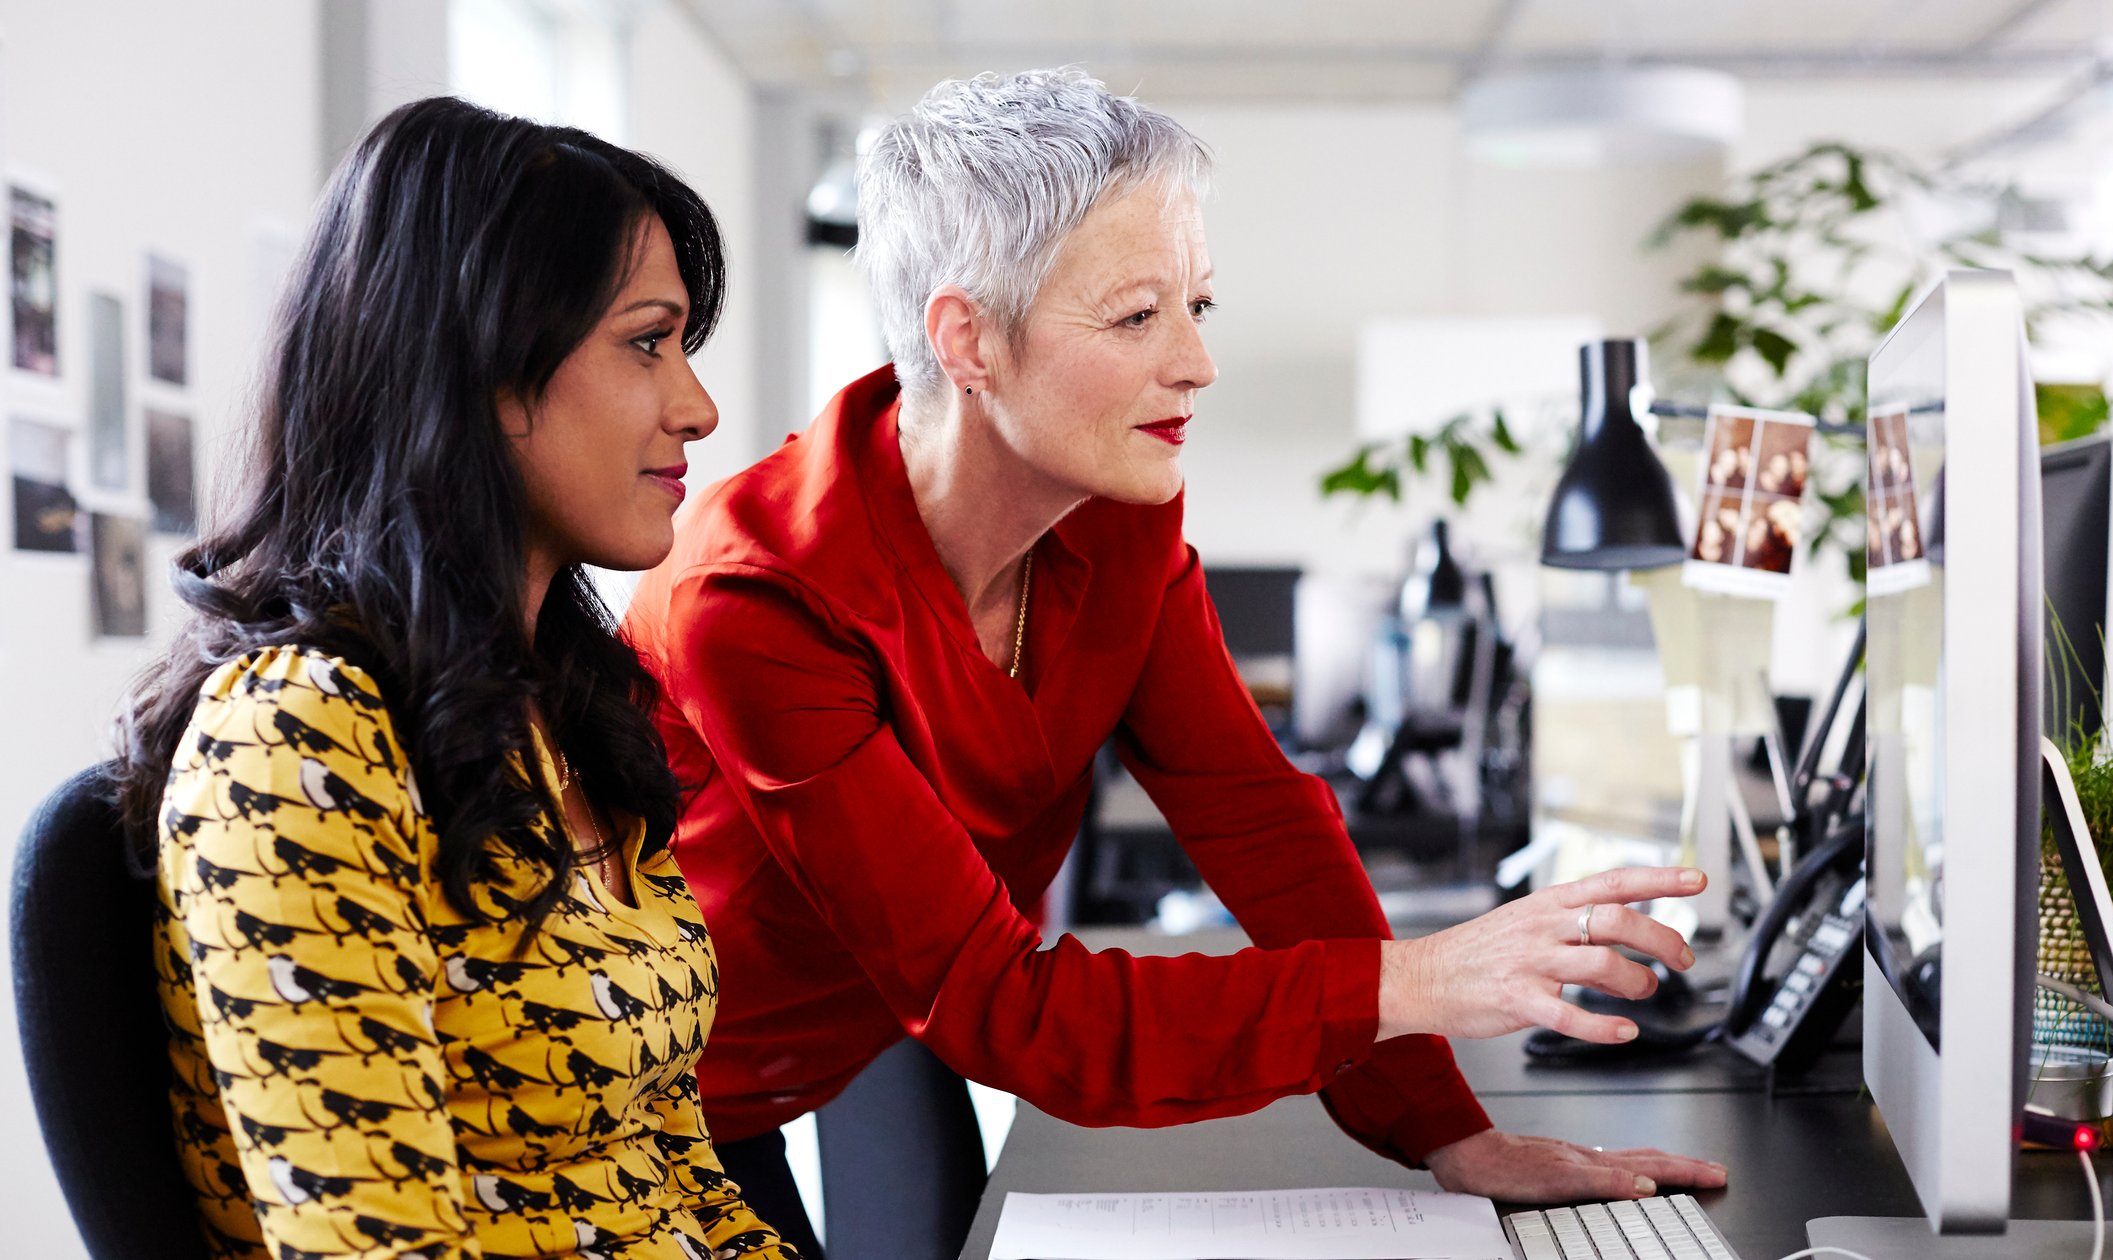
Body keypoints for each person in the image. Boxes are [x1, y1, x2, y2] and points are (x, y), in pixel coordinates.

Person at [625, 69, 1726, 1258]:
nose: (1197, 363)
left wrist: (1443, 1131)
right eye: (1138, 316)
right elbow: (1007, 1007)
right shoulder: (752, 596)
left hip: (887, 1015)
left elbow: (1260, 822)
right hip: (674, 1089)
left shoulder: (1110, 513)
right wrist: (1408, 982)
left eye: (1199, 305)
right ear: (968, 339)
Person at [114, 97, 797, 1260]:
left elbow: (673, 1167)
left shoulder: (571, 711)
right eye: (647, 341)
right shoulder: (298, 736)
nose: (697, 405)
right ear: (480, 364)